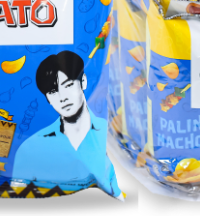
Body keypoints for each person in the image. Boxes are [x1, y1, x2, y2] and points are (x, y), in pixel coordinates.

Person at [13, 51, 121, 198]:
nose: (62, 97)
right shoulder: (30, 148)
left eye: (68, 85)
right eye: (53, 92)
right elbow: (18, 195)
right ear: (47, 99)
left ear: (83, 81)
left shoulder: (110, 134)